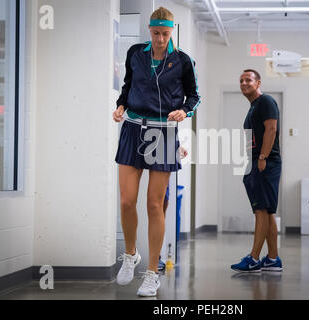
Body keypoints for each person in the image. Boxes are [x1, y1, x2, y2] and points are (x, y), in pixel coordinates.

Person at [112, 7, 200, 297]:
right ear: (149, 30)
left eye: (165, 33)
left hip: (163, 132)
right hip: (133, 128)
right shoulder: (136, 53)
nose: (160, 38)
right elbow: (128, 85)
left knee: (154, 204)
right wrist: (121, 104)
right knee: (126, 201)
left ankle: (151, 273)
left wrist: (184, 111)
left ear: (171, 31)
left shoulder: (183, 61)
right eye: (156, 33)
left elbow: (194, 96)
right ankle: (130, 255)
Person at [231, 69, 283, 273]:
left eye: (248, 80)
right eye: (241, 80)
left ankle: (253, 258)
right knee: (267, 211)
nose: (244, 83)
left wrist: (262, 157)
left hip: (264, 162)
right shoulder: (254, 106)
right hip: (256, 161)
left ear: (258, 82)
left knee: (261, 211)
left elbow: (271, 129)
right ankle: (272, 259)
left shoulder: (266, 102)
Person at [158, 146, 188, 272]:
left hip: (162, 156)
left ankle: (156, 256)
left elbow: (168, 127)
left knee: (161, 205)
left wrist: (176, 145)